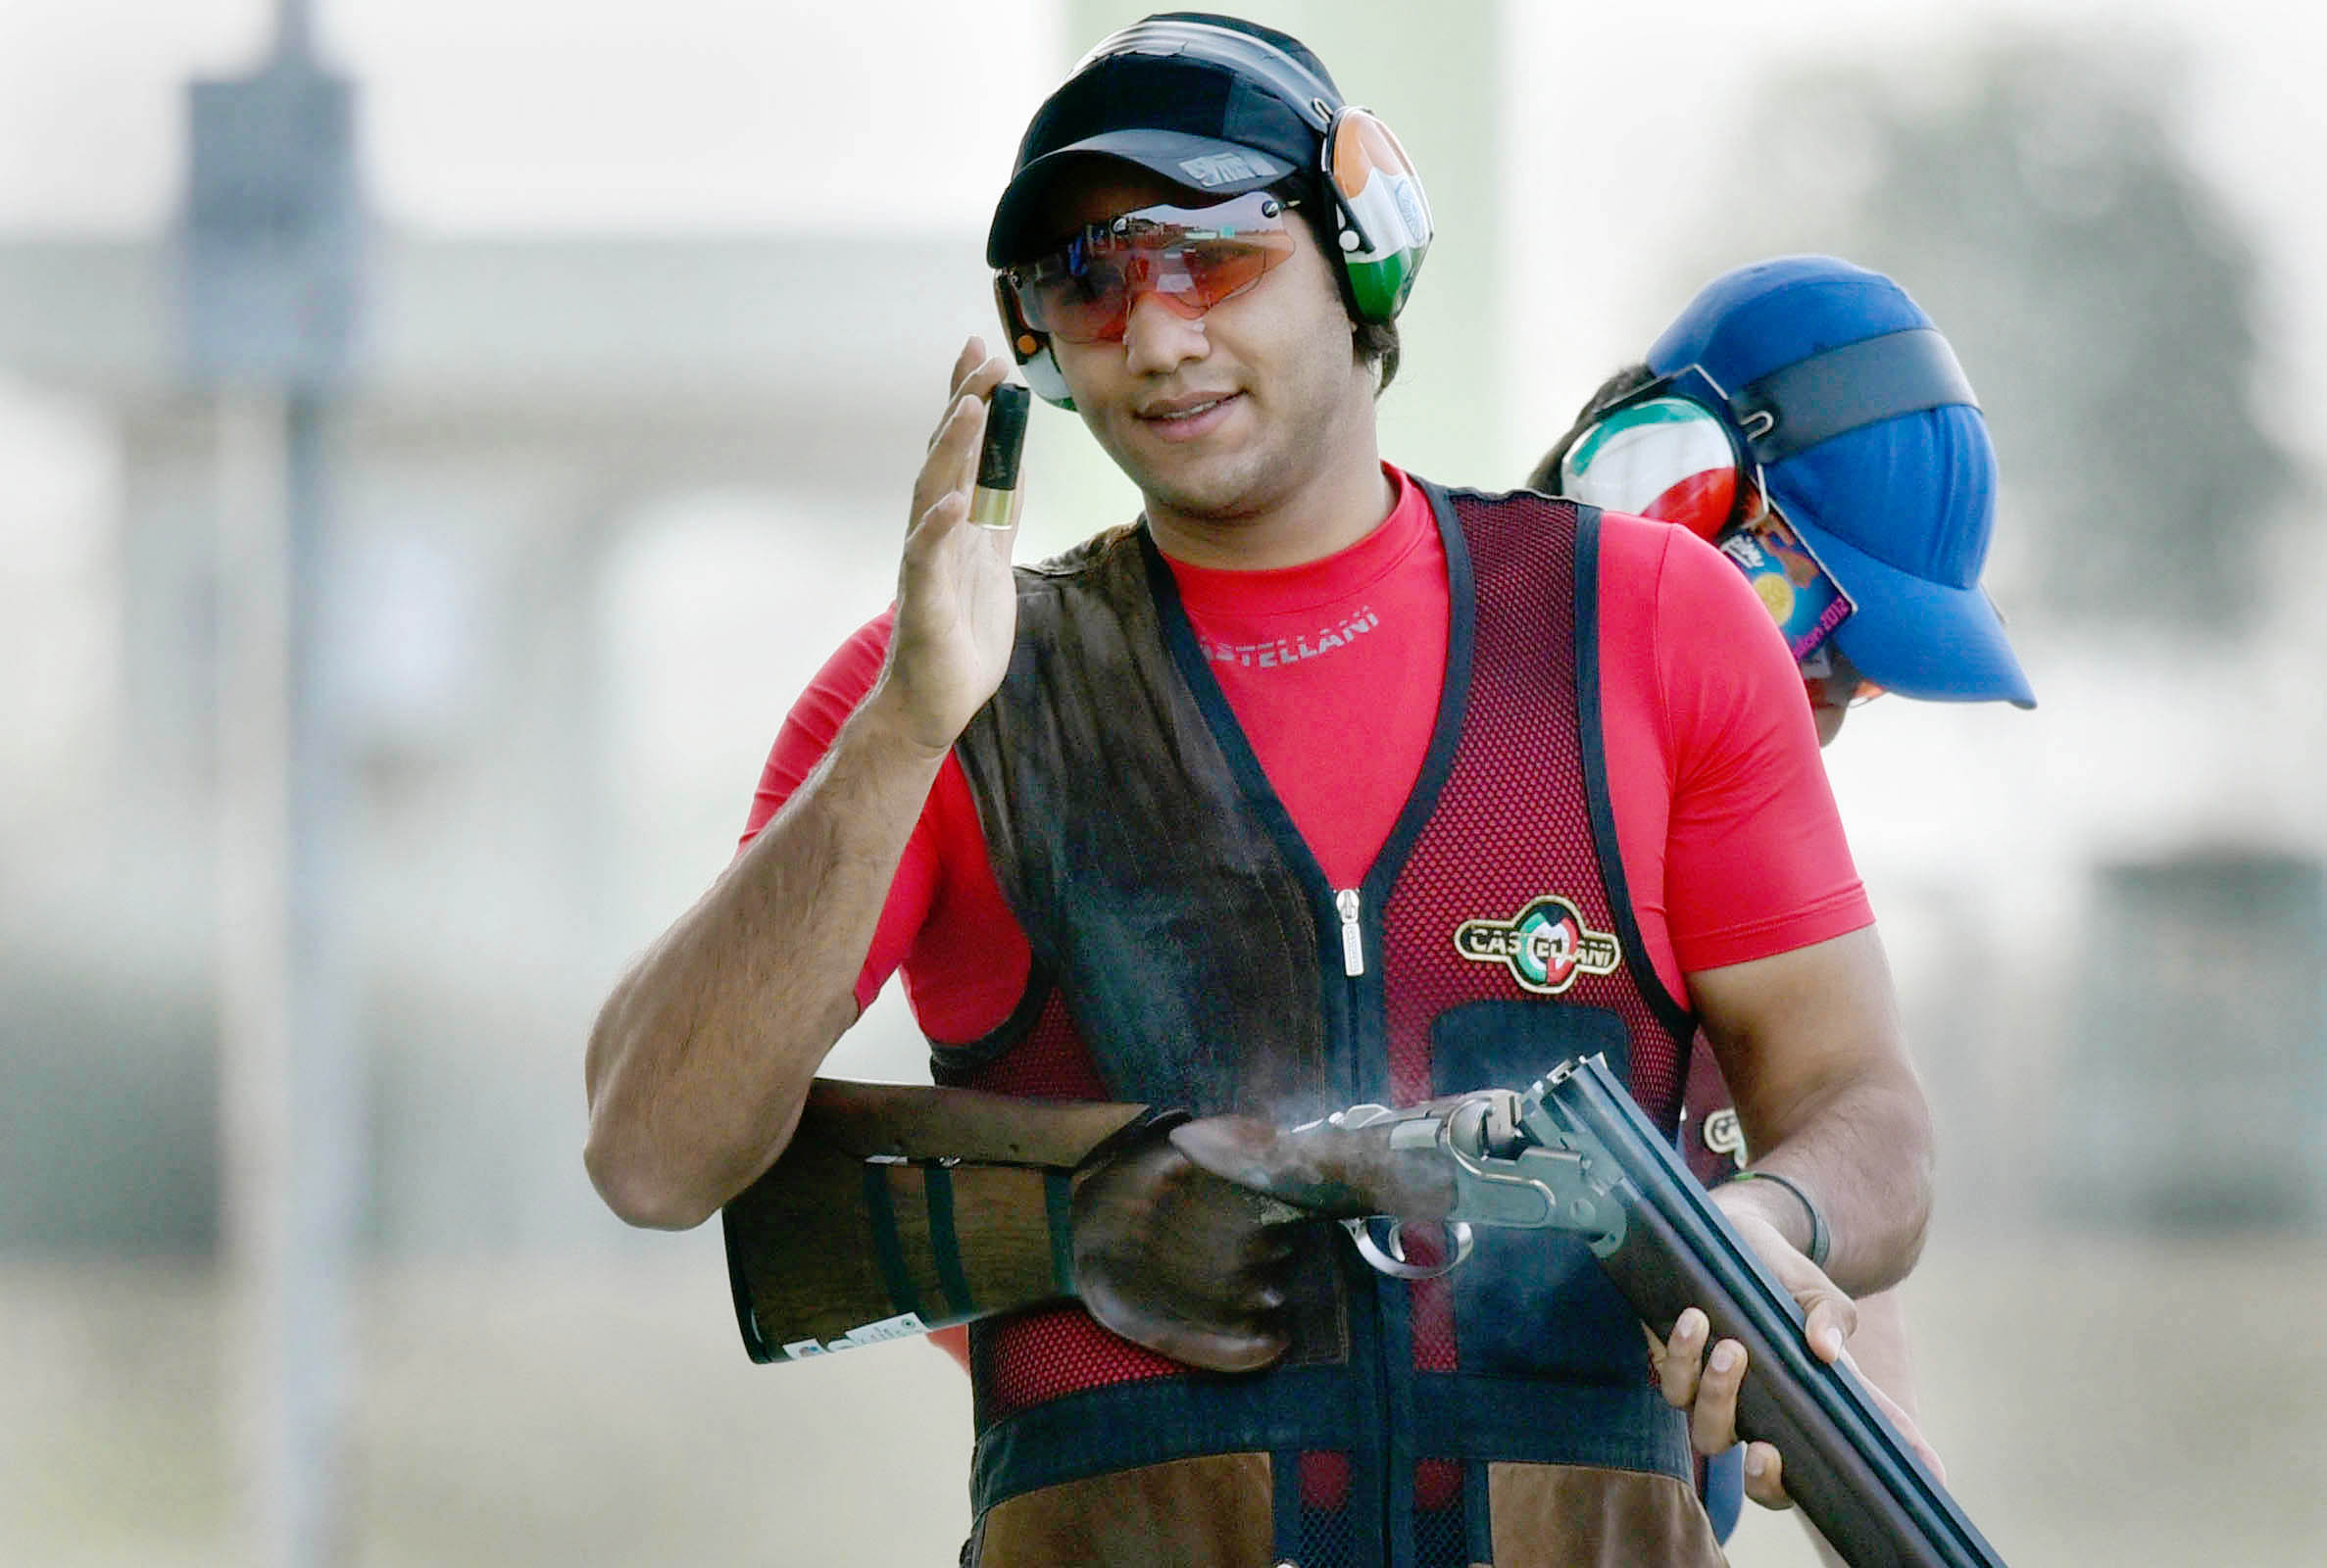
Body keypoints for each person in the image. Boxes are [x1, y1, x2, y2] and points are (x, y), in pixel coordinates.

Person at [583, 15, 1935, 1565]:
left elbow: (1864, 1109)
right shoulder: (944, 689)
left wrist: (1759, 1235)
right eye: (1083, 284)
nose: (1153, 339)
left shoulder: (1652, 628)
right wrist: (900, 732)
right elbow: (650, 1154)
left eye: (1210, 257)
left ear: (1359, 254)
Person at [1527, 253, 2035, 1555]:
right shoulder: (1424, 716)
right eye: (1813, 624)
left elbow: (1834, 1163)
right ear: (1653, 484)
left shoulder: (1734, 843)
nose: (1821, 700)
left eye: (1854, 679)